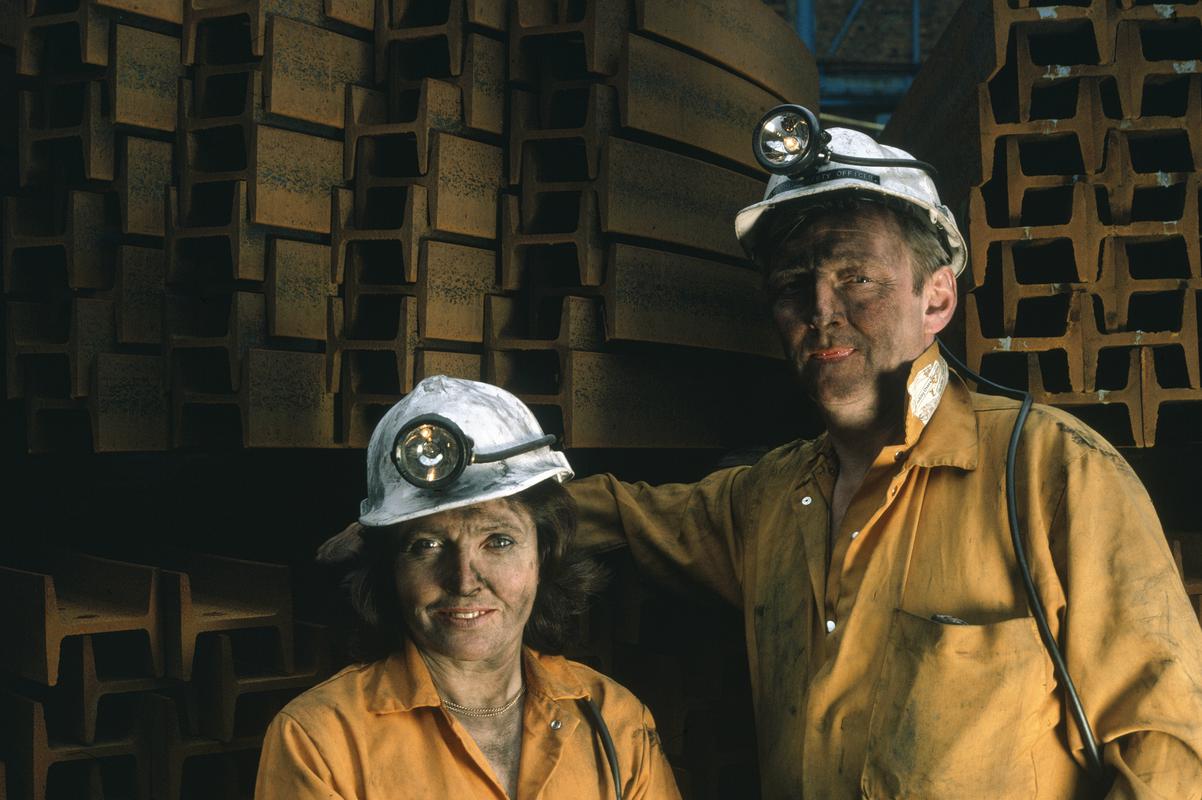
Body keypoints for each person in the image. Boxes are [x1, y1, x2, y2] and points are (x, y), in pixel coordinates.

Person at [569, 110, 1202, 799]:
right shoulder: (766, 500)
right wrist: (488, 495)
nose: (820, 309)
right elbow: (624, 514)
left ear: (937, 299)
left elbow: (1167, 748)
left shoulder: (1053, 470)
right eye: (792, 285)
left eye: (858, 279)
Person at [255, 376, 681, 799]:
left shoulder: (615, 721)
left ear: (543, 556)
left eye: (499, 541)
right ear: (389, 570)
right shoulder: (319, 740)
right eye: (427, 545)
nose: (463, 581)